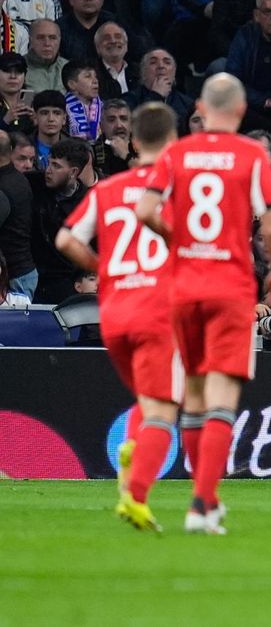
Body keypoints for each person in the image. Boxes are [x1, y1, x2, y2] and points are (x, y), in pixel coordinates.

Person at [134, 74, 271, 536]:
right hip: (230, 287)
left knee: (195, 398)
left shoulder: (177, 153)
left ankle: (207, 499)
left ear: (200, 107)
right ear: (240, 111)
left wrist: (179, 240)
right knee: (221, 398)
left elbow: (144, 210)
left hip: (183, 288)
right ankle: (201, 504)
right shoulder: (252, 155)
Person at [54, 103, 178, 533]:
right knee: (165, 406)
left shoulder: (108, 189)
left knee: (147, 396)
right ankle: (136, 496)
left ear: (136, 143)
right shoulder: (175, 191)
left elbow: (65, 239)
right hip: (156, 308)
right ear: (172, 143)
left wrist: (102, 266)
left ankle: (130, 447)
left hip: (113, 311)